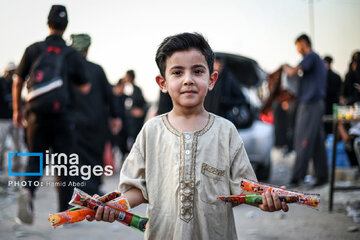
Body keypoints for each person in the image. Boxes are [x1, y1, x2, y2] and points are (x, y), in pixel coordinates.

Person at [87, 32, 288, 239]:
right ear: (162, 83)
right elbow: (138, 189)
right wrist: (111, 206)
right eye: (177, 72)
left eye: (198, 71)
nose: (188, 80)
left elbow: (243, 189)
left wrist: (266, 200)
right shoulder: (151, 131)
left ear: (211, 80)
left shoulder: (226, 131)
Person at [13, 5, 90, 224]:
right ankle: (64, 213)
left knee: (35, 160)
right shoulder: (71, 53)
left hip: (36, 116)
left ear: (48, 23)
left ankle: (28, 192)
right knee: (64, 164)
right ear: (66, 27)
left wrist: (19, 110)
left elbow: (18, 80)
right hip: (62, 117)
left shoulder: (34, 49)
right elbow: (84, 87)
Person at [70, 34, 121, 195]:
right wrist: (115, 116)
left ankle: (75, 194)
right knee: (94, 158)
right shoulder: (97, 69)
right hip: (95, 122)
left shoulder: (67, 69)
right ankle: (91, 193)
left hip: (73, 123)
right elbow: (110, 95)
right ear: (87, 49)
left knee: (73, 161)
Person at [282, 34, 328, 188]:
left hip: (309, 104)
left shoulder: (311, 57)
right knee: (317, 141)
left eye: (297, 46)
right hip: (317, 104)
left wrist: (285, 67)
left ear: (303, 43)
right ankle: (322, 176)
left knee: (303, 140)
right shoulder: (318, 59)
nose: (297, 50)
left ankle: (296, 177)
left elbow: (293, 71)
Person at [0, 62, 22, 173]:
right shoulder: (1, 82)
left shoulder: (14, 83)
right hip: (2, 120)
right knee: (1, 145)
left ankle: (16, 169)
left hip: (14, 119)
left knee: (18, 145)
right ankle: (0, 168)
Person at [122, 70, 147, 147]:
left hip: (135, 124)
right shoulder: (123, 89)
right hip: (125, 123)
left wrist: (141, 111)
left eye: (126, 76)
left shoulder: (137, 90)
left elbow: (144, 104)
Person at [323, 55, 342, 134]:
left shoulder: (323, 76)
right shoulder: (337, 76)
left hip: (326, 104)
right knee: (333, 126)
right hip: (334, 104)